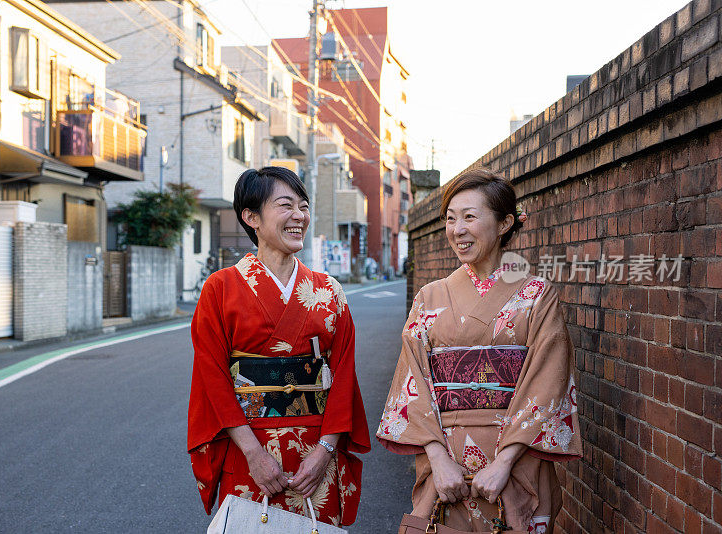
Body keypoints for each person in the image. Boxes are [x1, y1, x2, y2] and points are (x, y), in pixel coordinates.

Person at [376, 169, 581, 533]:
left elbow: (548, 382)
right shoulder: (430, 297)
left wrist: (503, 462)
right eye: (450, 219)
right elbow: (412, 383)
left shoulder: (536, 295)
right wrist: (438, 460)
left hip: (516, 463)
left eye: (470, 216)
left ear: (504, 223)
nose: (457, 229)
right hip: (446, 464)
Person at [187, 166, 371, 528]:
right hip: (248, 449)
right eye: (285, 205)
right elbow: (214, 379)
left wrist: (325, 452)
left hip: (316, 451)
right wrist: (254, 455)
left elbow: (344, 375)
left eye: (303, 206)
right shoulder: (220, 289)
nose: (299, 216)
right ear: (251, 217)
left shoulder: (328, 291)